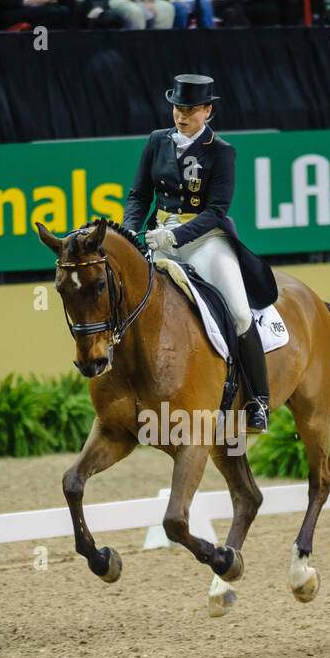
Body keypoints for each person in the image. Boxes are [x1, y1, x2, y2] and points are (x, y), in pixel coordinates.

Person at [123, 74, 279, 433]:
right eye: (178, 108)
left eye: (190, 110)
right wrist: (132, 230)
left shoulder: (221, 151)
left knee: (239, 313)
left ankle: (258, 402)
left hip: (205, 240)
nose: (181, 115)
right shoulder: (156, 141)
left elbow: (216, 210)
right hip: (158, 237)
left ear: (207, 111)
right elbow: (138, 195)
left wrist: (174, 237)